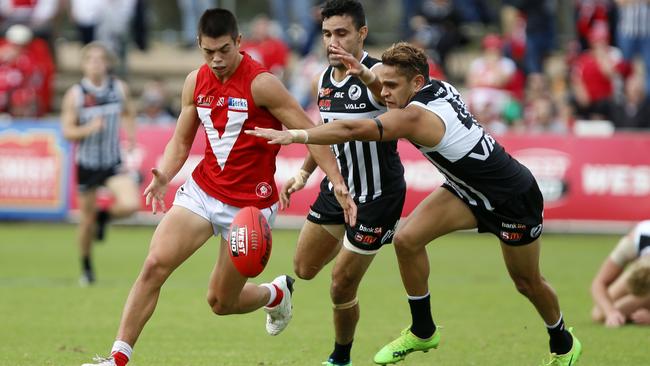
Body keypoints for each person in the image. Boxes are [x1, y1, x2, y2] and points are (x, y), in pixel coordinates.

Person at [247, 42, 582, 366]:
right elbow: (380, 94)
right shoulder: (437, 87)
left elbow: (351, 128)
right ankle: (423, 330)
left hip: (512, 199)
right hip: (465, 189)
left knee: (527, 282)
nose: (385, 92)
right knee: (406, 241)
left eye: (392, 85)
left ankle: (563, 342)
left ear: (417, 82)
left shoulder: (414, 119)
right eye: (384, 83)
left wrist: (297, 135)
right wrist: (367, 74)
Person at [80, 8, 353, 366]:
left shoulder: (262, 83)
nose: (218, 59)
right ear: (199, 46)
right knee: (153, 266)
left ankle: (274, 294)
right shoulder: (196, 81)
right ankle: (117, 359)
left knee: (221, 303)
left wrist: (337, 183)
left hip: (249, 209)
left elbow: (313, 135)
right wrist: (164, 172)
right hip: (203, 191)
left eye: (224, 49)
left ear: (239, 42)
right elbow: (180, 141)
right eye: (209, 52)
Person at [281, 1, 406, 365]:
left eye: (341, 33)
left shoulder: (378, 72)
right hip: (339, 188)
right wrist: (304, 174)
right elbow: (325, 132)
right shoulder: (322, 79)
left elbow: (387, 95)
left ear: (361, 34)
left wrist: (364, 75)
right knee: (303, 268)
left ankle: (341, 357)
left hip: (379, 195)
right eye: (326, 34)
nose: (332, 42)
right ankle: (353, 246)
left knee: (340, 284)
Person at [60, 41, 140, 286]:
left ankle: (103, 218)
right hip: (87, 163)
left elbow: (128, 112)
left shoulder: (119, 88)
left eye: (100, 59)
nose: (96, 63)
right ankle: (86, 267)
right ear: (84, 64)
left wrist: (130, 137)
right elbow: (67, 131)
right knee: (85, 221)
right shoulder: (76, 94)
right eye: (91, 59)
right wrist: (88, 128)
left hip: (111, 160)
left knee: (131, 204)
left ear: (107, 63)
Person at [591, 220, 650, 327]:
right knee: (599, 314)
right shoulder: (631, 243)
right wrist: (611, 313)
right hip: (639, 270)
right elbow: (599, 283)